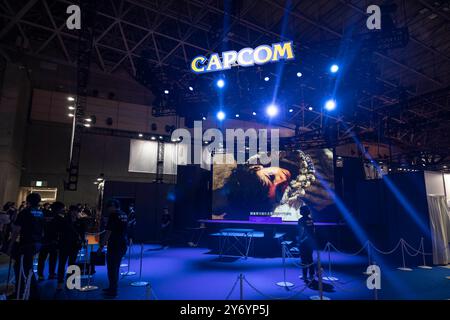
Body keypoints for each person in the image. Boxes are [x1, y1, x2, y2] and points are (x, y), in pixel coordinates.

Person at [7, 193, 44, 299]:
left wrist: (10, 245)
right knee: (23, 267)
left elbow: (16, 230)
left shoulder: (25, 212)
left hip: (26, 244)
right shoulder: (40, 213)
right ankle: (22, 289)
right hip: (36, 243)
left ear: (28, 200)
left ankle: (32, 293)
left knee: (24, 268)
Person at [97, 199, 128, 298]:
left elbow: (108, 232)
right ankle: (113, 288)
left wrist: (101, 246)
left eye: (108, 207)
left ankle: (113, 290)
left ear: (112, 206)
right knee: (116, 267)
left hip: (114, 244)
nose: (108, 210)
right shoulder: (124, 214)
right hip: (123, 243)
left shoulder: (113, 215)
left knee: (111, 268)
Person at [56, 205, 86, 290]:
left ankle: (69, 281)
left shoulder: (80, 222)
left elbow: (82, 234)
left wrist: (82, 242)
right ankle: (60, 281)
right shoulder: (64, 221)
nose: (74, 212)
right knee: (62, 264)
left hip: (75, 245)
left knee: (72, 264)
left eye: (76, 211)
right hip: (64, 245)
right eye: (73, 211)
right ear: (70, 211)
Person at [37, 202, 61, 280]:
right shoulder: (58, 218)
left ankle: (40, 274)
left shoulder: (44, 215)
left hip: (44, 239)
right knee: (52, 258)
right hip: (53, 240)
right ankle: (51, 274)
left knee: (42, 258)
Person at [298, 206, 316, 283]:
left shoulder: (301, 220)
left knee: (304, 259)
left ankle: (305, 276)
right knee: (310, 259)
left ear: (303, 211)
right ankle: (311, 275)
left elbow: (302, 231)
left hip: (304, 242)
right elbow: (313, 231)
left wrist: (300, 240)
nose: (299, 211)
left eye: (300, 210)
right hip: (310, 242)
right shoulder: (311, 219)